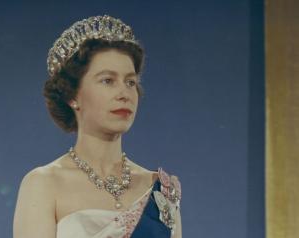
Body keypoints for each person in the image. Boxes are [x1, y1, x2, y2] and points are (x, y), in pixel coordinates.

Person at [13, 15, 182, 238]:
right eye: (108, 80)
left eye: (130, 82)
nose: (124, 94)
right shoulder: (44, 184)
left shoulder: (159, 191)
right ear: (73, 95)